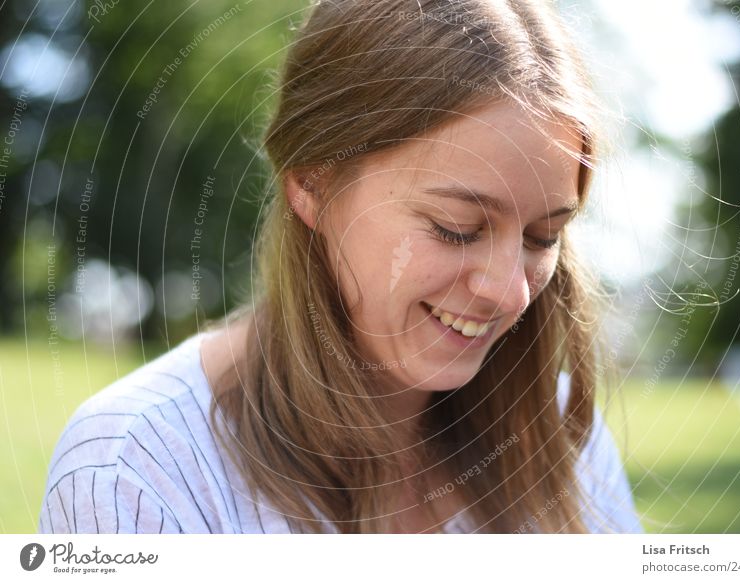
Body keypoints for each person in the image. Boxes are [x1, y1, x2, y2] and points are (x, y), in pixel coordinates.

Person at [39, 0, 642, 534]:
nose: (510, 292)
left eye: (543, 236)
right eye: (456, 228)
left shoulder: (557, 437)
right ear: (312, 183)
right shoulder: (136, 464)